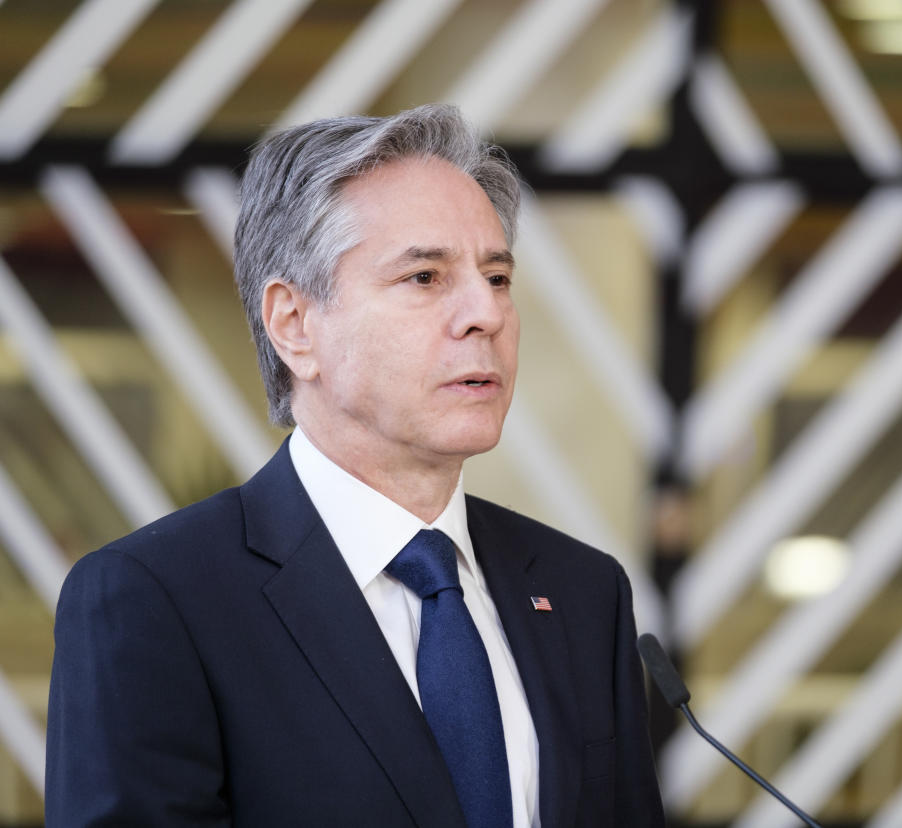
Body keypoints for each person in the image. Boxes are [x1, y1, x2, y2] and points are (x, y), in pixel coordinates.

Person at [45, 104, 664, 828]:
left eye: (497, 278)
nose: (485, 314)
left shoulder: (583, 593)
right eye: (426, 278)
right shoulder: (157, 602)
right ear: (294, 326)